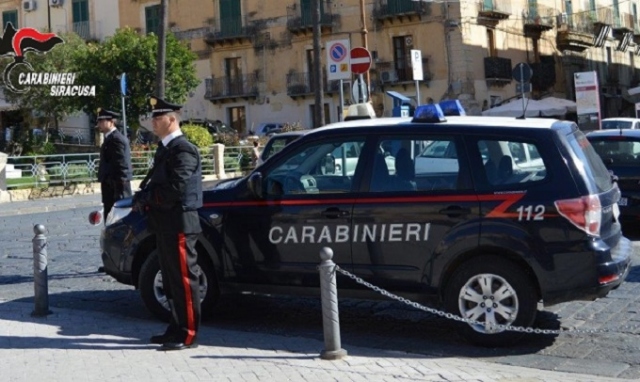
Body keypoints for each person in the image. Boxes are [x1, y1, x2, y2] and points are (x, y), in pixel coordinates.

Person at [132, 96, 203, 351]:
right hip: (165, 223)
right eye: (153, 117)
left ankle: (188, 333)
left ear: (172, 119)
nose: (153, 121)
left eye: (158, 117)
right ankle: (175, 327)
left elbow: (176, 188)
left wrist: (149, 198)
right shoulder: (166, 148)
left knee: (184, 280)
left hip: (180, 223)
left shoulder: (183, 149)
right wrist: (143, 196)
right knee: (171, 280)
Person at [96, 108, 132, 221]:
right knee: (110, 217)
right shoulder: (110, 138)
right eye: (99, 121)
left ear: (112, 121)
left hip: (117, 187)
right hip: (110, 186)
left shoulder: (117, 139)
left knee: (118, 218)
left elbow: (122, 165)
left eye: (102, 121)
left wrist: (119, 188)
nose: (99, 124)